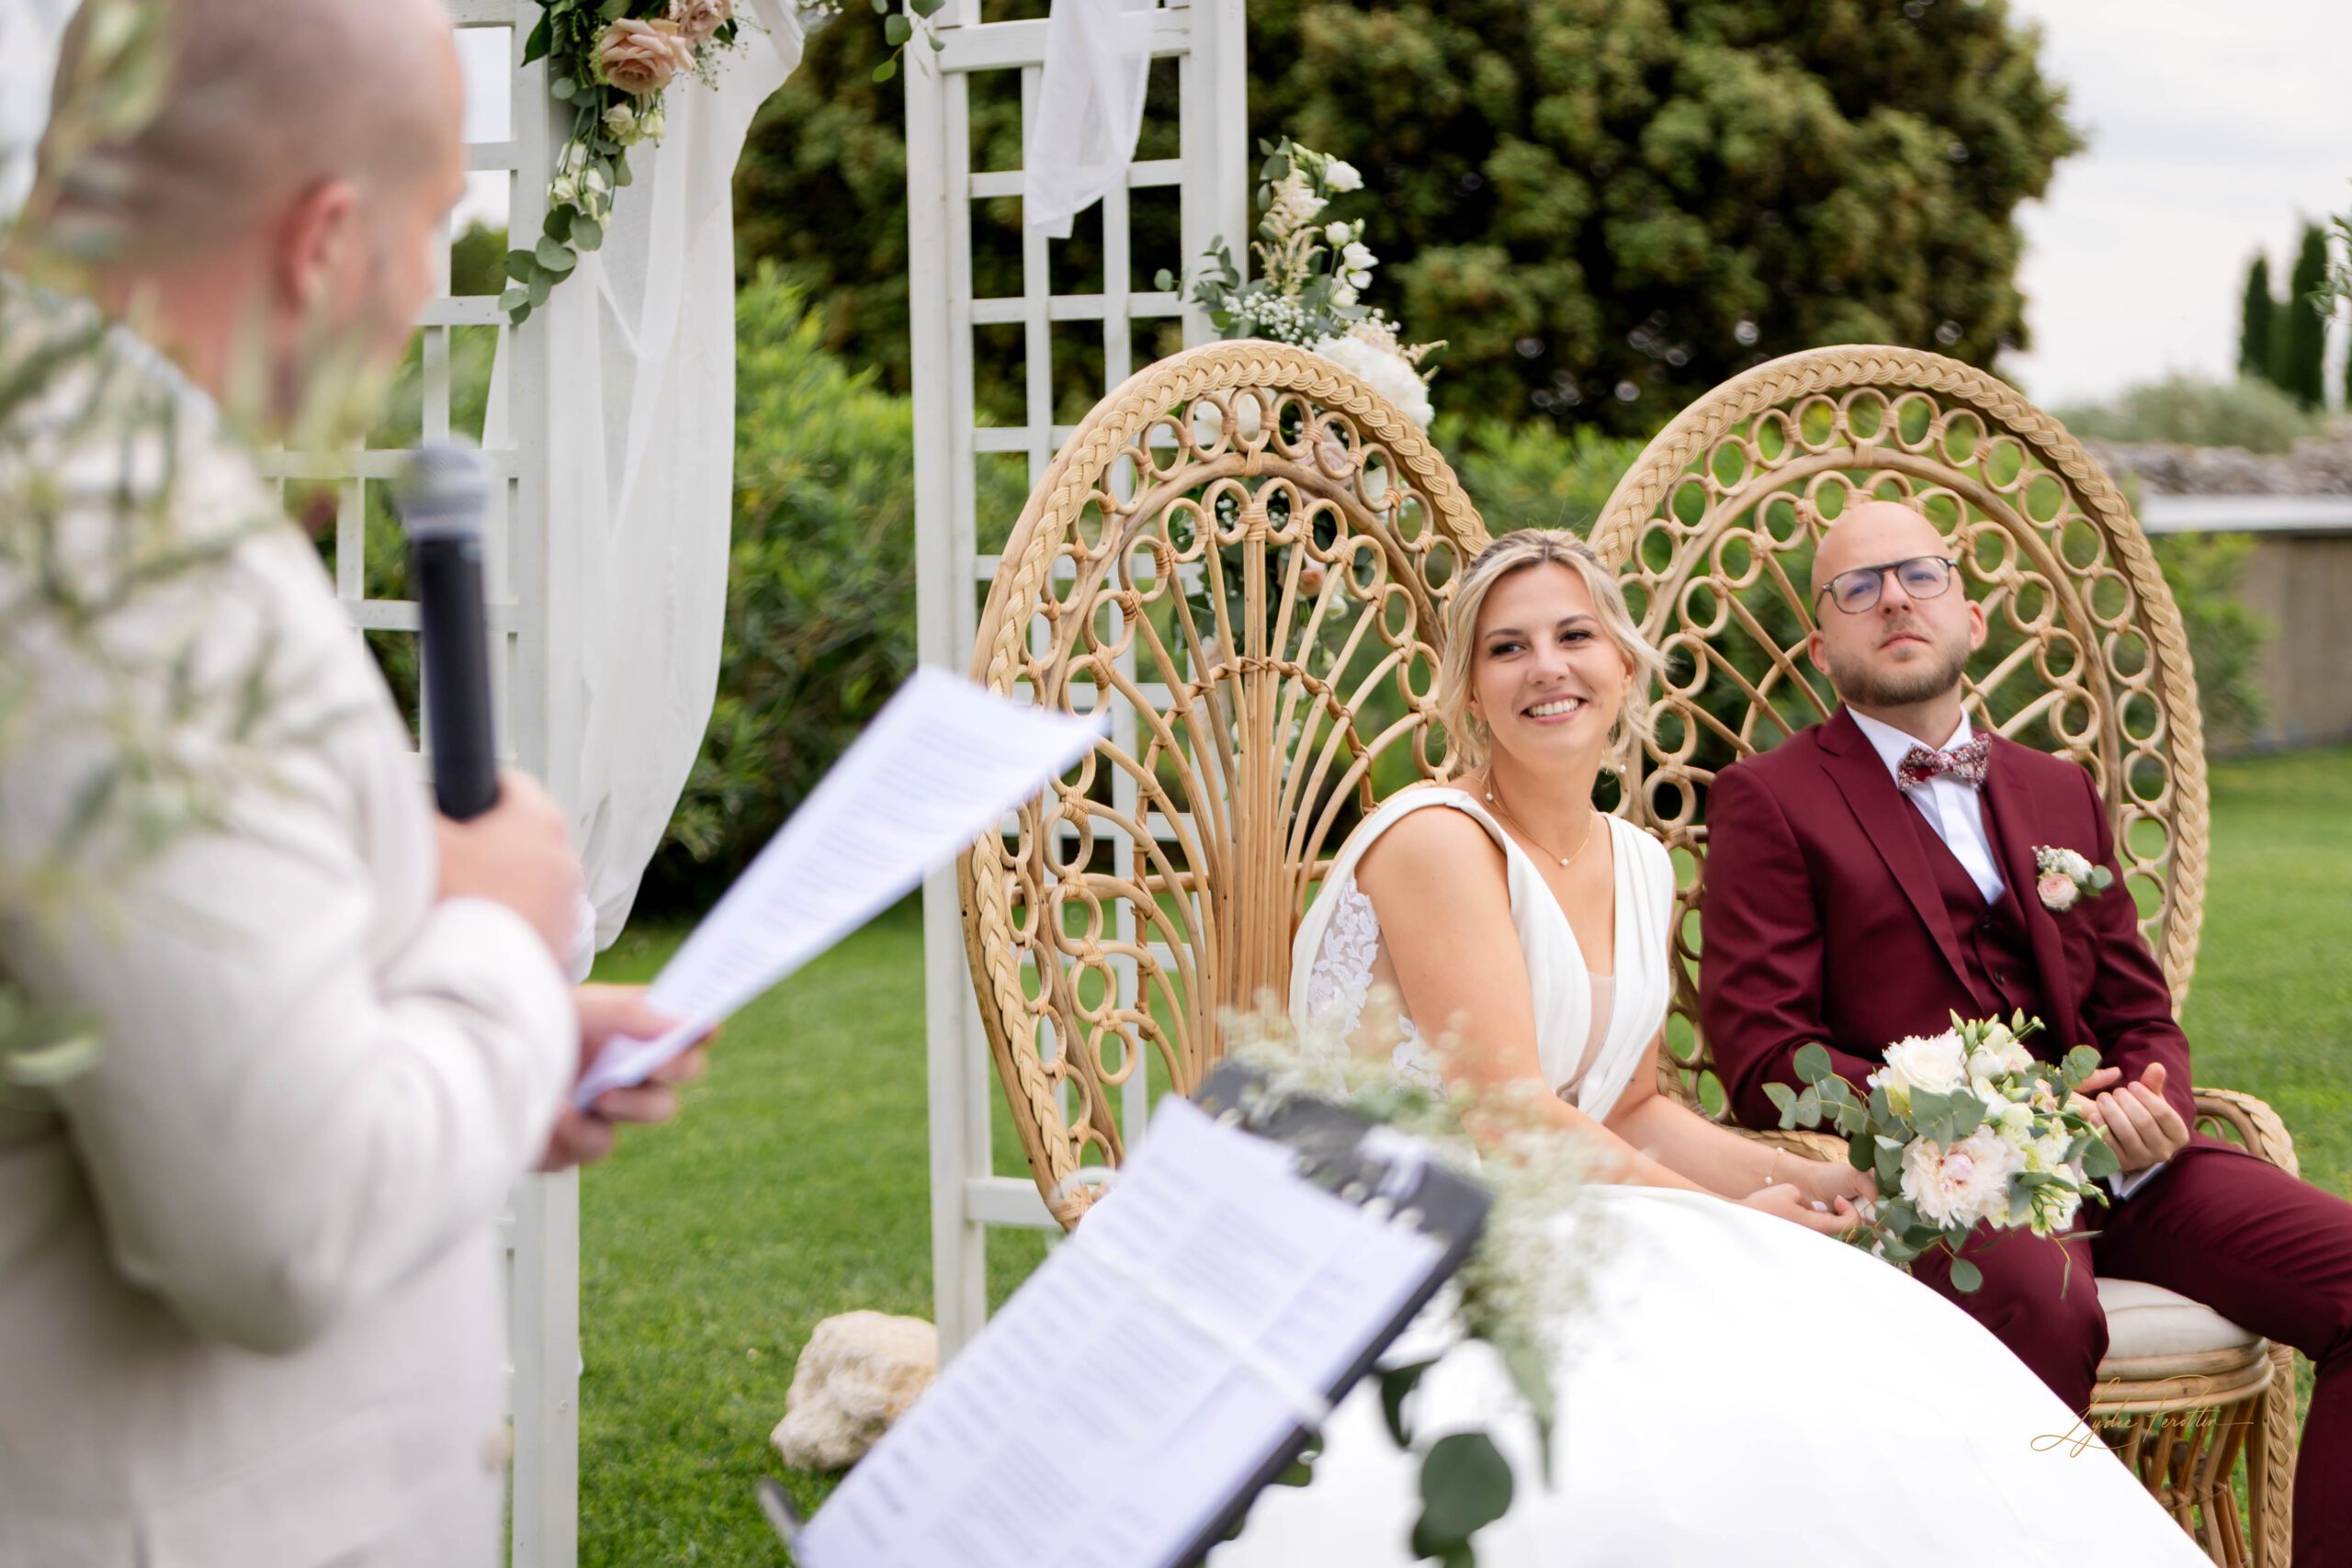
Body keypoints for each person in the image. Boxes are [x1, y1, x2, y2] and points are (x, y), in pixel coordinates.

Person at [0, 0, 699, 1561]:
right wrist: (498, 940)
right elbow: (280, 1222)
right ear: (323, 242)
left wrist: (484, 1049)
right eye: (439, 220)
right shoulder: (118, 565)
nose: (429, 283)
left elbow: (157, 1032)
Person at [1213, 530, 2200, 1566]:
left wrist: (1833, 1178)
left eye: (1573, 636)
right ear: (1466, 692)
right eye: (1506, 650)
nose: (1547, 668)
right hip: (1398, 1224)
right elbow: (1505, 1113)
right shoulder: (1436, 839)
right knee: (1737, 1371)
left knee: (1849, 1315)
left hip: (1558, 1196)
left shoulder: (1636, 861)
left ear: (1624, 667)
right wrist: (1726, 1213)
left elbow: (1630, 1108)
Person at [1702, 498, 2352, 1567]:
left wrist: (2153, 1106)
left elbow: (2139, 1010)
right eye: (1855, 588)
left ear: (1969, 615)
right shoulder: (1769, 800)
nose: (1893, 600)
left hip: (2121, 1171)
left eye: (1917, 575)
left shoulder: (2057, 788)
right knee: (2042, 1307)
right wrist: (1987, 1123)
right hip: (1938, 1182)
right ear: (1821, 647)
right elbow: (1769, 1059)